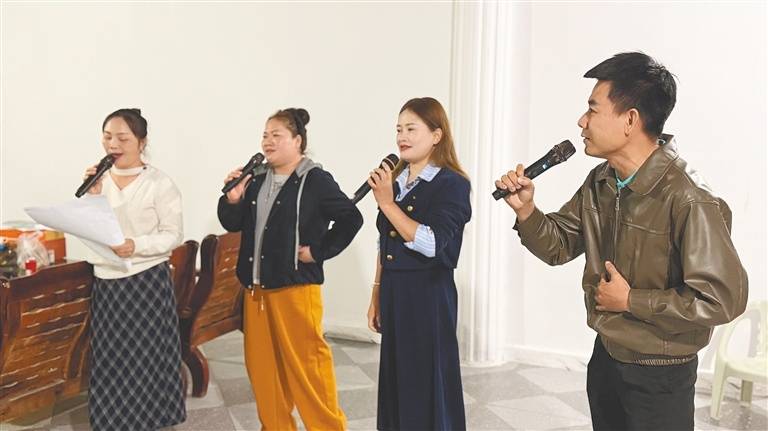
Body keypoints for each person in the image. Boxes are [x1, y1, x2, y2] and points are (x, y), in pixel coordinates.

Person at [496, 52, 749, 430]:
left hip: (659, 373)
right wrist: (527, 211)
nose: (581, 121)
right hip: (607, 356)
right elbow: (559, 246)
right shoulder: (602, 180)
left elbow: (723, 299)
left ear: (630, 119)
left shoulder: (689, 198)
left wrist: (631, 300)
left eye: (592, 109)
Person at [217, 107, 363, 430]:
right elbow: (232, 223)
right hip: (256, 292)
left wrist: (318, 252)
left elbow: (351, 218)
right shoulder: (255, 178)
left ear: (298, 141)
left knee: (308, 369)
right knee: (263, 371)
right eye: (265, 135)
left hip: (296, 289)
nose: (268, 141)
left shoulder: (315, 180)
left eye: (276, 135)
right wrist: (233, 199)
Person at [367, 97, 472, 431]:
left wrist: (387, 204)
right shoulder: (396, 181)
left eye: (411, 129)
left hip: (428, 297)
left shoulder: (452, 184)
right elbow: (384, 242)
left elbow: (432, 243)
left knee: (426, 381)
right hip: (394, 291)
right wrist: (376, 293)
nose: (402, 136)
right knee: (397, 379)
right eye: (399, 129)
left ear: (436, 135)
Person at [83, 108, 186, 430]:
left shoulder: (159, 182)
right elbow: (91, 227)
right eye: (107, 137)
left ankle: (151, 419)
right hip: (107, 280)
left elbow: (173, 234)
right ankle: (112, 422)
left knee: (147, 356)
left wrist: (136, 245)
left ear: (141, 142)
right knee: (110, 358)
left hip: (146, 280)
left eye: (122, 138)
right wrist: (92, 198)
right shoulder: (97, 181)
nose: (113, 144)